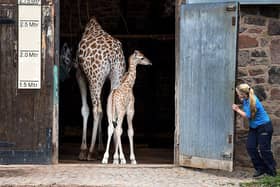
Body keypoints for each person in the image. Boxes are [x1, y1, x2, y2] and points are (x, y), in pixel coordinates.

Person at [232, 83, 277, 177]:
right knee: (250, 147)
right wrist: (241, 101)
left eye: (238, 93)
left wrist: (237, 109)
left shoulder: (253, 101)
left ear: (243, 93)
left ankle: (272, 171)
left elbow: (247, 116)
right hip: (254, 127)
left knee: (264, 150)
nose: (237, 94)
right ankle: (260, 168)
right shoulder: (246, 98)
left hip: (264, 126)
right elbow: (245, 105)